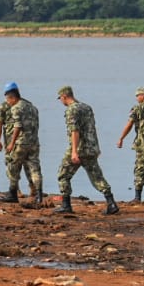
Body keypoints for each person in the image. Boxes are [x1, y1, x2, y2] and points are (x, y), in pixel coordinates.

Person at [54, 86, 119, 215]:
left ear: (64, 96)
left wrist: (74, 151)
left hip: (79, 148)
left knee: (63, 175)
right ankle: (111, 202)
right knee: (97, 177)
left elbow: (75, 131)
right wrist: (96, 148)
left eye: (60, 98)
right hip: (91, 148)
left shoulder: (71, 110)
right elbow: (92, 129)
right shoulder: (86, 107)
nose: (61, 101)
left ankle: (66, 205)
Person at [0, 82, 43, 206]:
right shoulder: (32, 106)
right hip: (33, 142)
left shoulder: (16, 107)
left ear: (12, 97)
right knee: (35, 169)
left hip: (20, 143)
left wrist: (11, 143)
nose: (8, 102)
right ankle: (39, 195)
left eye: (8, 99)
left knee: (13, 167)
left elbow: (18, 126)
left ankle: (12, 194)